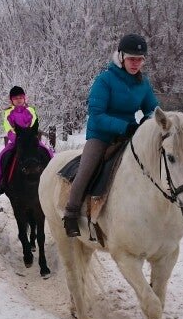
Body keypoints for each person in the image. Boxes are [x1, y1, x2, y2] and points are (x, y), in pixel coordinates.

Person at [63, 33, 159, 237]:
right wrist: (125, 127)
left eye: (140, 59)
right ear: (121, 57)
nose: (136, 64)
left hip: (130, 134)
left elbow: (153, 109)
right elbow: (96, 115)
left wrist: (148, 121)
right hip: (101, 135)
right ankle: (71, 213)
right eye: (132, 59)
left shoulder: (143, 83)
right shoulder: (104, 80)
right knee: (86, 169)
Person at [0, 86, 54, 195]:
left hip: (30, 140)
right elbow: (8, 128)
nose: (18, 100)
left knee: (48, 152)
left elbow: (33, 124)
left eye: (20, 97)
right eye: (15, 98)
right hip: (16, 141)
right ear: (11, 100)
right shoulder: (8, 113)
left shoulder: (31, 110)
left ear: (24, 98)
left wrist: (29, 136)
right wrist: (17, 139)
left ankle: (53, 176)